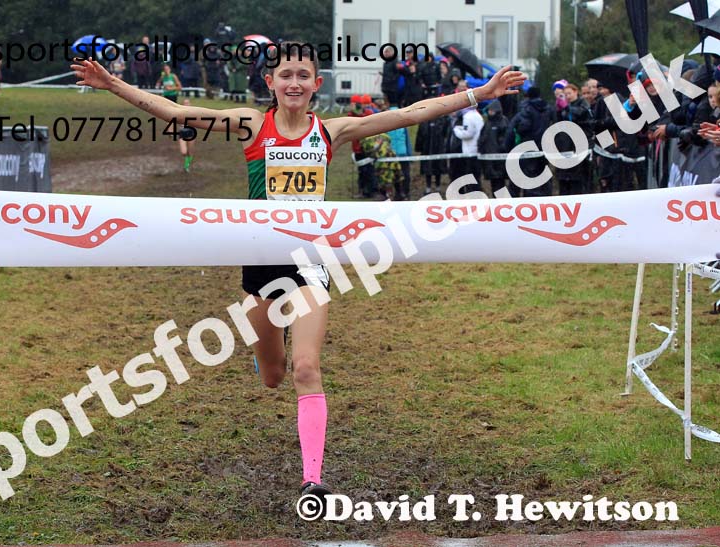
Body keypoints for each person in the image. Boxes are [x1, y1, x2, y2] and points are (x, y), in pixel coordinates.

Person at [70, 43, 525, 501]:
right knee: (274, 375)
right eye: (285, 74)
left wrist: (479, 93)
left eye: (302, 76)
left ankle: (313, 478)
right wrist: (112, 83)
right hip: (261, 264)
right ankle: (265, 348)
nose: (294, 83)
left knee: (307, 368)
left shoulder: (332, 131)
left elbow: (410, 114)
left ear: (316, 84)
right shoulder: (252, 124)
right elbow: (175, 111)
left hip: (312, 262)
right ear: (270, 82)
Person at [478, 99, 510, 197]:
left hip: (499, 160)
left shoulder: (503, 122)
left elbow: (506, 140)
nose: (490, 112)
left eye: (492, 110)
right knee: (494, 183)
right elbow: (483, 138)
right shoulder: (488, 123)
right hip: (489, 159)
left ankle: (501, 203)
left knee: (500, 183)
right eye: (489, 110)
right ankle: (495, 201)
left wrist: (501, 148)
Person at [178, 98, 197, 172]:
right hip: (182, 133)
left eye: (188, 103)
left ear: (190, 104)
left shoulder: (194, 113)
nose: (187, 104)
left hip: (191, 132)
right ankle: (186, 165)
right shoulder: (179, 113)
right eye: (185, 103)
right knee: (184, 152)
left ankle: (186, 166)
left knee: (190, 152)